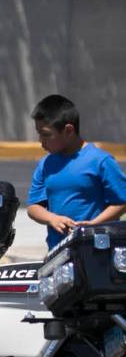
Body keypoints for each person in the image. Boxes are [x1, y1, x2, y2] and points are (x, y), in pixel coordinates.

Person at [27, 94, 126, 249]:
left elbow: (121, 202)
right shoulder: (46, 164)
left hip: (97, 249)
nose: (41, 141)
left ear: (68, 130)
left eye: (46, 134)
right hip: (58, 250)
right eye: (39, 134)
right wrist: (52, 218)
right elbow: (33, 207)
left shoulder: (100, 161)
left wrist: (93, 225)